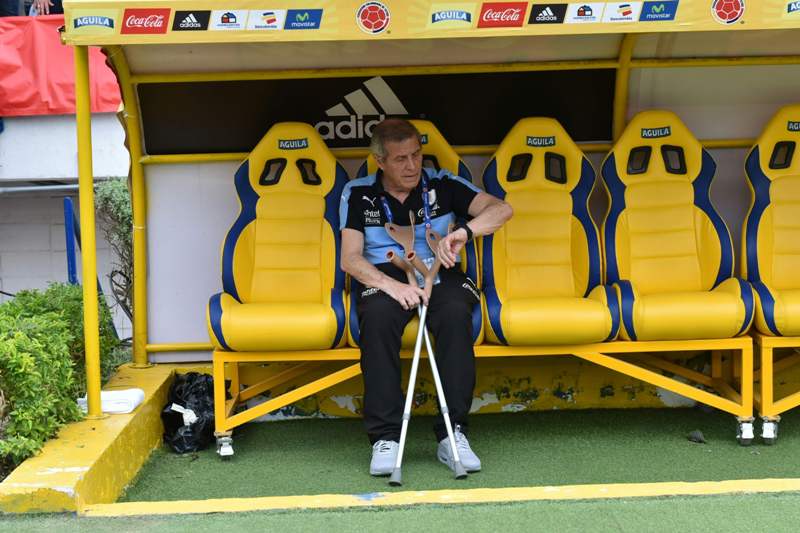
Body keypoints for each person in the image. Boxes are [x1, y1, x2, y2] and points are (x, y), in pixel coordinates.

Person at [339, 118, 513, 476]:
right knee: (378, 318)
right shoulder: (357, 193)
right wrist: (394, 287)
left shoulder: (444, 183)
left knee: (453, 314)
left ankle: (453, 434)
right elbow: (350, 259)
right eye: (401, 158)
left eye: (416, 154)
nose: (412, 165)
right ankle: (385, 437)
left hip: (441, 268)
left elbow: (502, 209)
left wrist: (465, 232)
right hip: (385, 274)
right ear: (380, 162)